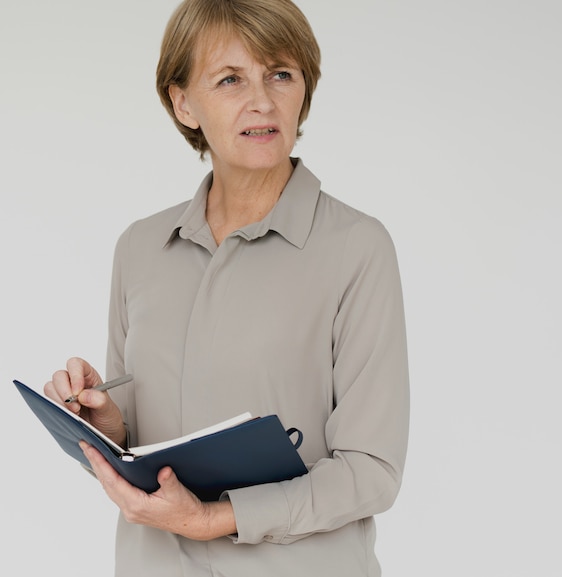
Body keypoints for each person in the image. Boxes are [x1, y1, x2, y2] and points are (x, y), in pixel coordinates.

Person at [44, 0, 410, 575]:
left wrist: (213, 518)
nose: (261, 101)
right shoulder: (140, 248)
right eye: (230, 79)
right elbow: (138, 450)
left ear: (303, 91)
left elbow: (371, 472)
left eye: (280, 74)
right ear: (182, 102)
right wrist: (103, 425)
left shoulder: (356, 247)